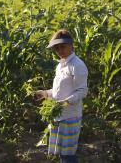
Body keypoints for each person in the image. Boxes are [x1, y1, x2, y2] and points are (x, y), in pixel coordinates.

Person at [35, 29, 88, 163]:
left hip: (70, 116)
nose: (60, 50)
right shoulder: (61, 65)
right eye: (57, 48)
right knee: (62, 154)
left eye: (63, 46)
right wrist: (45, 93)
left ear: (71, 45)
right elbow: (58, 90)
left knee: (68, 155)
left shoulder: (77, 65)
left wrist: (65, 102)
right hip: (59, 115)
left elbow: (82, 91)